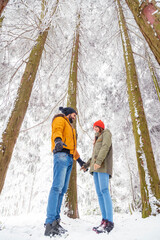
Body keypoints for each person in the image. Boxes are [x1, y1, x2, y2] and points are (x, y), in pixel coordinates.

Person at [44, 106, 85, 237]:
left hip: (69, 158)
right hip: (61, 155)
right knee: (56, 188)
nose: (75, 117)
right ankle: (49, 224)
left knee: (62, 190)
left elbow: (72, 147)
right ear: (68, 113)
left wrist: (80, 161)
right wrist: (57, 141)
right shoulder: (60, 119)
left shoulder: (71, 128)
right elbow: (57, 130)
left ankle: (56, 222)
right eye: (74, 114)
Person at [81, 120, 114, 234]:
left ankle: (110, 222)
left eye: (96, 127)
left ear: (101, 127)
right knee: (100, 194)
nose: (95, 129)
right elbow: (94, 155)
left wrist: (99, 161)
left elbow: (105, 147)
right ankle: (104, 220)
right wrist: (86, 165)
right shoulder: (96, 138)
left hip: (103, 166)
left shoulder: (106, 134)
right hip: (95, 168)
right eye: (94, 127)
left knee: (104, 191)